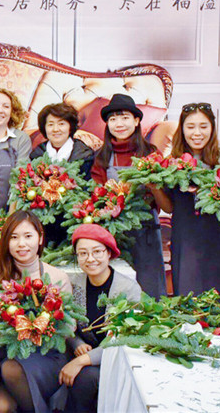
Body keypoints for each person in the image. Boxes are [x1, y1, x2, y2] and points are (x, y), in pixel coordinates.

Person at [0, 211, 72, 413]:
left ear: (40, 238)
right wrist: (11, 328)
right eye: (14, 237)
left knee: (12, 370)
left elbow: (68, 326)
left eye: (28, 236)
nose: (21, 244)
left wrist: (39, 329)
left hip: (47, 357)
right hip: (9, 354)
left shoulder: (56, 277)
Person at [91, 93, 171, 299]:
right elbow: (96, 196)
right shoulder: (101, 157)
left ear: (136, 121)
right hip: (113, 231)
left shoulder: (151, 153)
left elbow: (163, 200)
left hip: (146, 230)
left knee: (150, 291)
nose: (119, 124)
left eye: (125, 117)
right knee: (115, 292)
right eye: (113, 119)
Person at [59, 224, 142, 413]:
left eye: (97, 252)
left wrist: (83, 360)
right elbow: (66, 322)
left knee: (86, 377)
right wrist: (77, 343)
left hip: (116, 357)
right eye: (83, 253)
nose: (90, 259)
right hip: (80, 354)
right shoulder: (74, 285)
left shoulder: (128, 289)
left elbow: (124, 339)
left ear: (109, 253)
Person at [165, 103, 220, 298]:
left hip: (219, 239)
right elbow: (168, 207)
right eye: (190, 127)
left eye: (203, 126)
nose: (197, 133)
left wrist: (205, 189)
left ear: (212, 128)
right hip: (185, 240)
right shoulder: (173, 161)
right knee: (187, 298)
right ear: (182, 129)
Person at [30, 102, 94, 178]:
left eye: (61, 124)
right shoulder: (36, 154)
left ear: (70, 127)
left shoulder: (85, 156)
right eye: (50, 124)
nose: (56, 129)